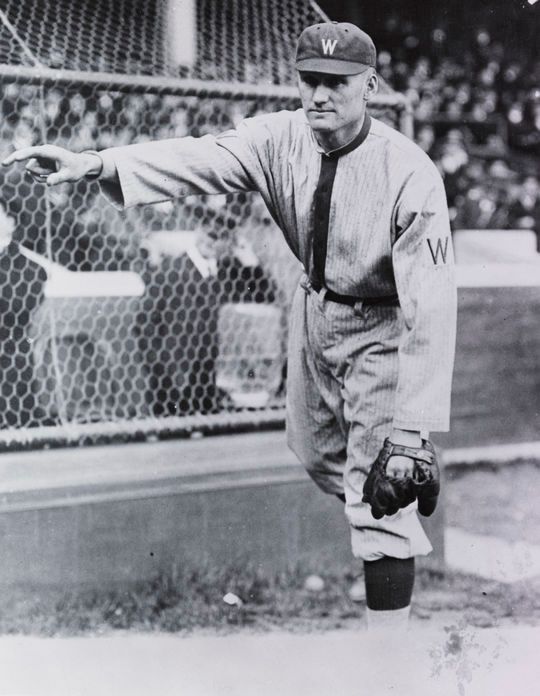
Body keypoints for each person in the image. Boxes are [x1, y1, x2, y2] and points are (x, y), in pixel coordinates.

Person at [2, 22, 457, 631]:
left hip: (382, 320)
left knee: (377, 493)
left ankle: (388, 657)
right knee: (320, 455)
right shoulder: (280, 137)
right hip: (315, 307)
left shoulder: (411, 173)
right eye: (310, 82)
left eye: (338, 84)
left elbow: (430, 305)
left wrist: (411, 425)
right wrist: (92, 163)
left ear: (370, 85)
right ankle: (407, 467)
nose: (320, 96)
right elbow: (199, 157)